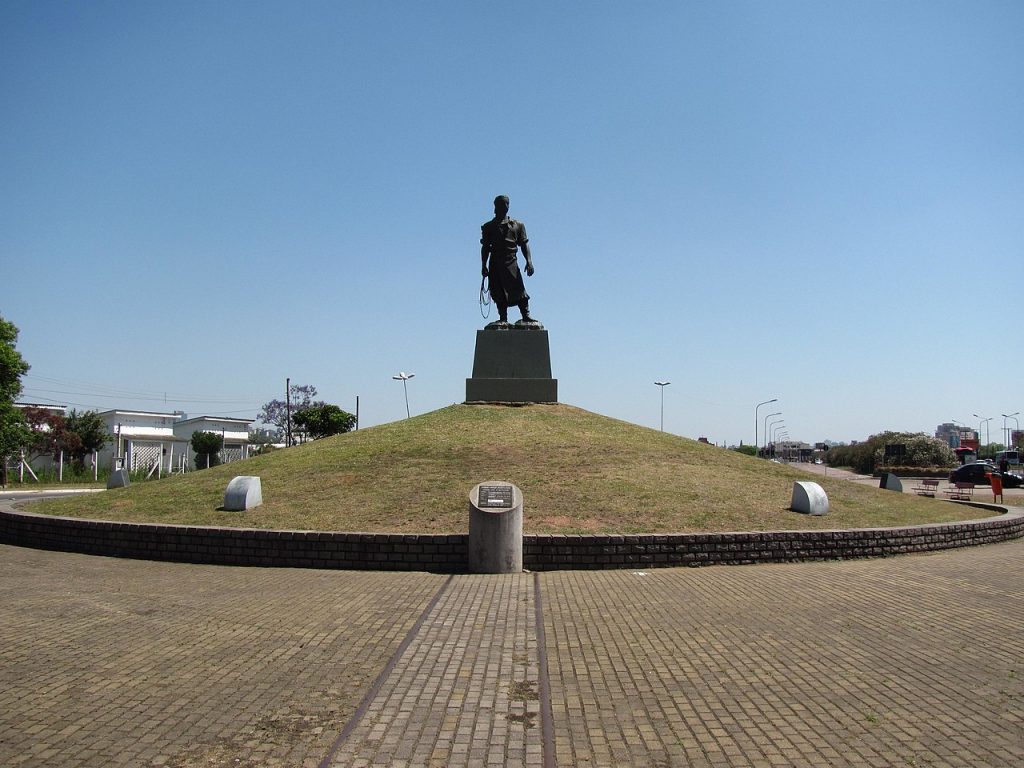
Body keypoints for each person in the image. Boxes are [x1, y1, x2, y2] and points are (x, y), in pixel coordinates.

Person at [480, 195, 537, 326]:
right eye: (500, 204)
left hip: (511, 261)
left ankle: (526, 315)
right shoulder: (489, 227)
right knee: (498, 290)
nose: (504, 207)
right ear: (495, 207)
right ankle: (503, 318)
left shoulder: (517, 225)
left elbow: (524, 244)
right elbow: (485, 248)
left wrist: (529, 261)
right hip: (495, 262)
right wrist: (483, 265)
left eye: (506, 204)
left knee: (518, 288)